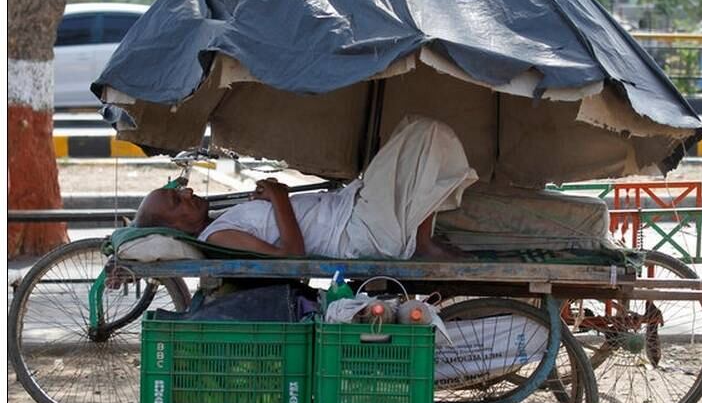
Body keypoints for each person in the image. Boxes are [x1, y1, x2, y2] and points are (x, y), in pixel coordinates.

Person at [134, 116, 478, 259]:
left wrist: (267, 199)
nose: (187, 193)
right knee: (426, 133)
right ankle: (422, 242)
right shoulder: (217, 237)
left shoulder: (219, 222)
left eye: (179, 191)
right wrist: (279, 198)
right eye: (176, 201)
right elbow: (291, 255)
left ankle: (422, 239)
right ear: (176, 227)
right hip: (357, 232)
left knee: (412, 128)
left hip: (354, 212)